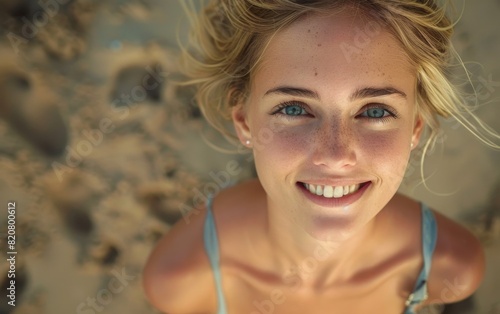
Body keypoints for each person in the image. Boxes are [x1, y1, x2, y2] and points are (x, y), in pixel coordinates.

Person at [143, 1, 499, 313]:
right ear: (244, 120)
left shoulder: (451, 268)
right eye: (294, 107)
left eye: (375, 111)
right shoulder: (181, 279)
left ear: (415, 128)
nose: (335, 155)